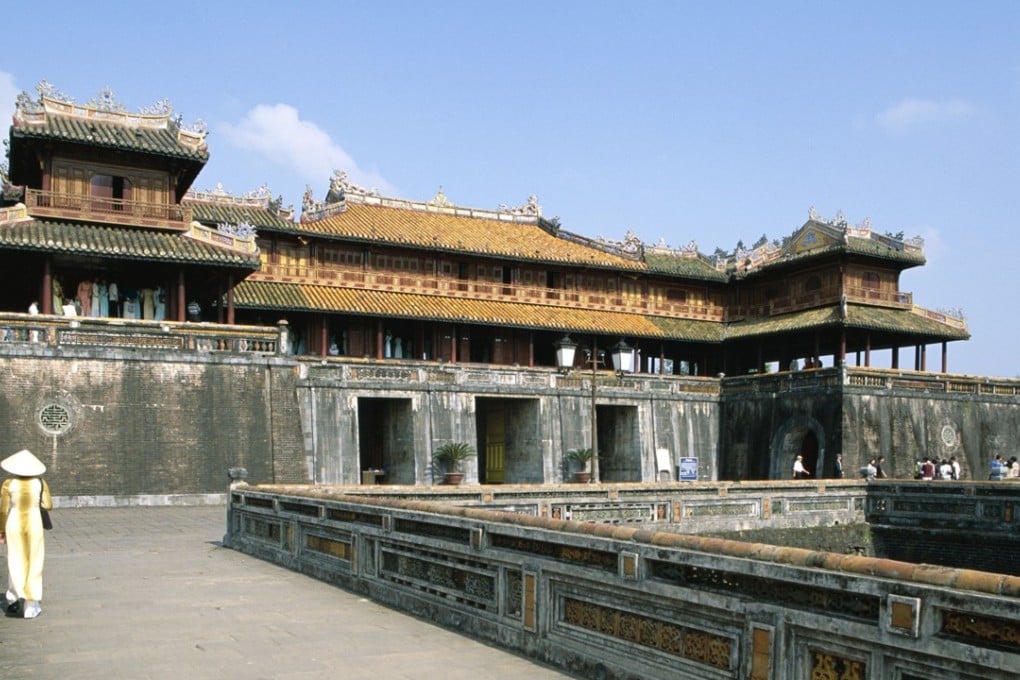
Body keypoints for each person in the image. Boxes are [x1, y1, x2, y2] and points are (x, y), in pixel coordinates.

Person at [0, 449, 51, 619]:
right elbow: (48, 505)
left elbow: (2, 510)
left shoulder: (8, 483)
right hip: (34, 521)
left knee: (14, 559)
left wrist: (1, 531)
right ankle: (31, 604)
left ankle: (13, 598)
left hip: (13, 522)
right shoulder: (40, 483)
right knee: (35, 560)